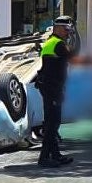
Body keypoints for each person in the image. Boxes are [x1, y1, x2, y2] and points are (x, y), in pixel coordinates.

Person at [36, 16, 75, 168]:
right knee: (53, 123)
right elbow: (72, 56)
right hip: (52, 87)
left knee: (52, 122)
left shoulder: (50, 42)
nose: (68, 33)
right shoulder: (58, 44)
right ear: (57, 28)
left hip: (50, 86)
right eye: (66, 30)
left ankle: (55, 155)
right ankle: (44, 157)